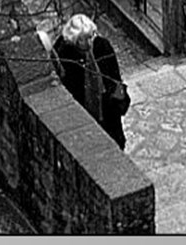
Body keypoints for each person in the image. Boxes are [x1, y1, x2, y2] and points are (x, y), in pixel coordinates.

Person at [50, 13, 131, 147]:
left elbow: (114, 76)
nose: (89, 42)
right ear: (74, 39)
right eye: (84, 39)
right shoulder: (65, 55)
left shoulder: (102, 46)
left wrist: (116, 97)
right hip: (83, 109)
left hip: (107, 108)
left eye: (91, 36)